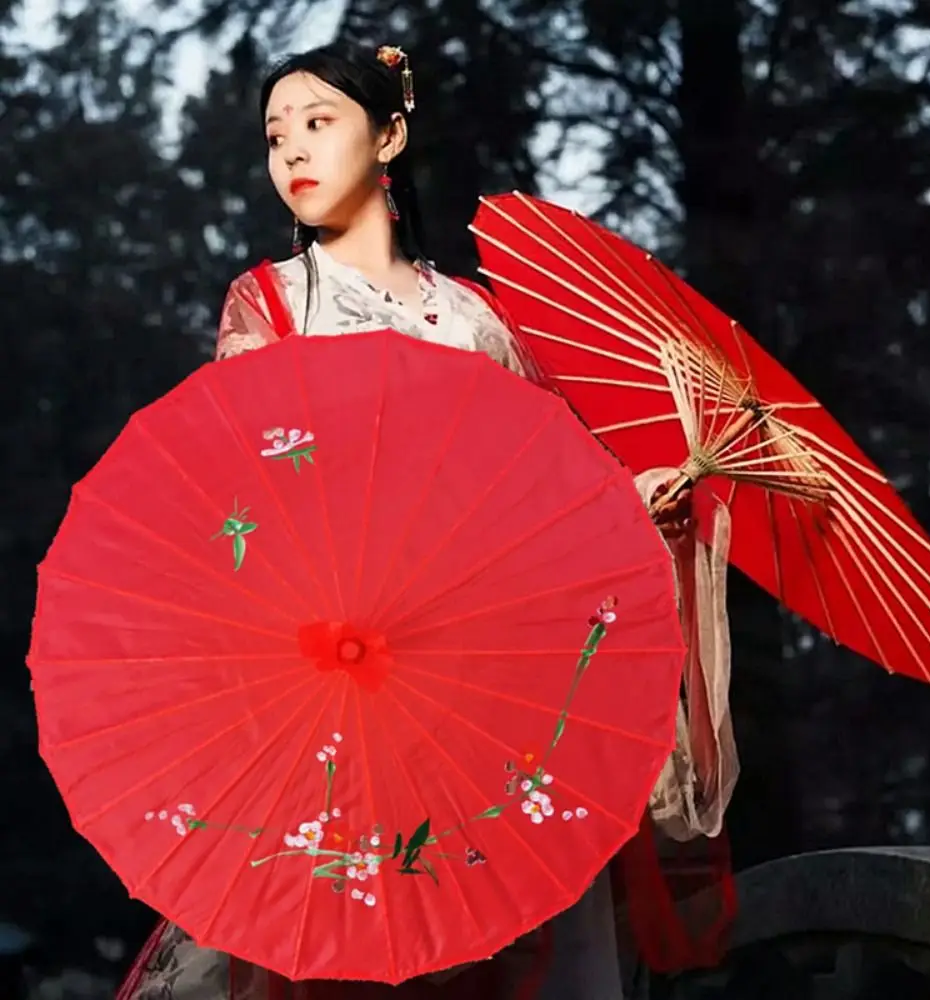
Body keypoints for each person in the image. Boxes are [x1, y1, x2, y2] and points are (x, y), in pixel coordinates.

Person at [117, 40, 737, 1000]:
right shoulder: (272, 305)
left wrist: (628, 502)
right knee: (352, 928)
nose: (292, 154)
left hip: (494, 671)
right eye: (276, 136)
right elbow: (259, 480)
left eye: (320, 123)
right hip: (355, 664)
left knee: (522, 937)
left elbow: (546, 494)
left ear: (391, 135)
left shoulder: (481, 319)